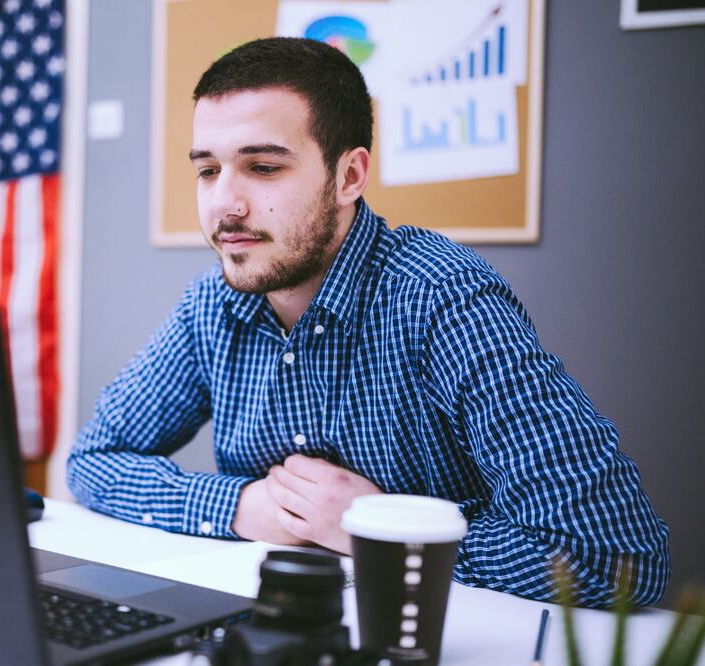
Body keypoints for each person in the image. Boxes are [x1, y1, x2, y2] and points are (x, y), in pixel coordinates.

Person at [66, 37, 669, 607]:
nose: (225, 202)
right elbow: (94, 458)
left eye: (264, 167)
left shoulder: (444, 299)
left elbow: (617, 558)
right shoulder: (212, 305)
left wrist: (382, 533)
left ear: (349, 176)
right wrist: (242, 505)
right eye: (208, 171)